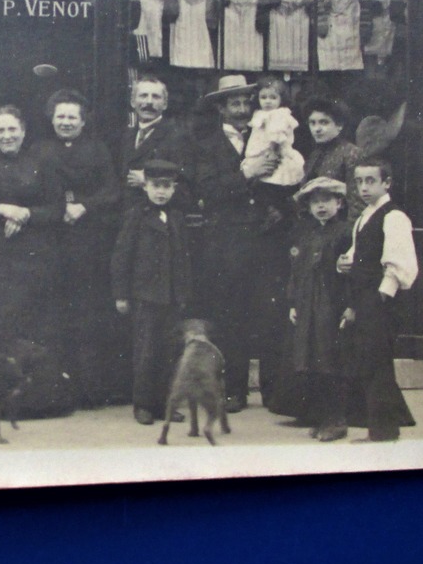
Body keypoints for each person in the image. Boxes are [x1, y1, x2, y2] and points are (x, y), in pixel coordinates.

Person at [0, 105, 72, 416]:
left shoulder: (42, 162)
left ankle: (36, 403)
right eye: (0, 131)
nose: (7, 136)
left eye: (12, 130)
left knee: (33, 325)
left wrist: (27, 215)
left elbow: (56, 208)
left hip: (32, 258)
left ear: (23, 131)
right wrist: (1, 209)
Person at [191, 73, 280, 412]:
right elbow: (207, 190)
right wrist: (246, 173)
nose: (242, 109)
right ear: (221, 108)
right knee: (232, 317)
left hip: (265, 241)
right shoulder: (206, 145)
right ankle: (235, 391)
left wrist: (277, 209)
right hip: (226, 244)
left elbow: (284, 180)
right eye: (235, 103)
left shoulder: (267, 136)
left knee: (269, 314)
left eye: (246, 102)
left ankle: (272, 391)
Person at [44, 88, 126, 408]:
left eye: (72, 117)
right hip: (51, 240)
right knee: (54, 313)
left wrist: (84, 206)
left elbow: (112, 192)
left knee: (88, 313)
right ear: (52, 119)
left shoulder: (97, 149)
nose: (66, 122)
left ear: (82, 121)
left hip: (89, 241)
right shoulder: (40, 149)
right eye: (60, 117)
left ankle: (90, 388)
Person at [337, 157, 419, 441]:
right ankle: (380, 420)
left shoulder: (394, 216)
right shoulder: (364, 217)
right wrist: (344, 262)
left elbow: (399, 261)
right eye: (359, 181)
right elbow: (357, 253)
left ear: (386, 183)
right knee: (365, 359)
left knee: (377, 362)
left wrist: (381, 297)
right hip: (362, 297)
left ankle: (384, 431)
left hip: (379, 300)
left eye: (370, 180)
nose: (363, 187)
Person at [111, 159, 192, 425]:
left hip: (171, 296)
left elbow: (183, 259)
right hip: (145, 296)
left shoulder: (177, 217)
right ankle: (143, 404)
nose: (161, 192)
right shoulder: (136, 216)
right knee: (146, 352)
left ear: (174, 189)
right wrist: (121, 294)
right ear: (145, 186)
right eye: (156, 186)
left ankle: (164, 404)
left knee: (169, 351)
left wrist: (183, 294)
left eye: (167, 187)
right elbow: (122, 256)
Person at [285, 177, 353, 441]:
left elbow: (351, 274)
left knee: (330, 359)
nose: (321, 207)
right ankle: (320, 415)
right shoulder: (307, 233)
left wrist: (349, 305)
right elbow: (296, 271)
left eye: (327, 200)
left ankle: (337, 419)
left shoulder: (346, 233)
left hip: (331, 304)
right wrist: (293, 302)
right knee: (310, 359)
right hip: (307, 304)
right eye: (315, 202)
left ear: (339, 202)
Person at [120, 75, 192, 212]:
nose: (149, 102)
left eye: (156, 97)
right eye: (143, 96)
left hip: (160, 218)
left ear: (165, 104)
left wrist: (148, 182)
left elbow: (185, 186)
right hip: (128, 218)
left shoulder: (178, 137)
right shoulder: (126, 136)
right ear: (133, 102)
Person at [300, 97, 365, 222]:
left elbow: (360, 202)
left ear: (339, 125)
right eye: (312, 123)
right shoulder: (313, 156)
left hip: (344, 225)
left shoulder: (351, 153)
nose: (317, 129)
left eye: (324, 122)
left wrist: (338, 188)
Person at [241, 74, 306, 187]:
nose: (268, 101)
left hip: (274, 153)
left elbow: (276, 138)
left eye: (273, 97)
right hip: (259, 152)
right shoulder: (259, 114)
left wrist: (272, 152)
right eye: (263, 97)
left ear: (281, 99)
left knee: (274, 177)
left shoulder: (280, 114)